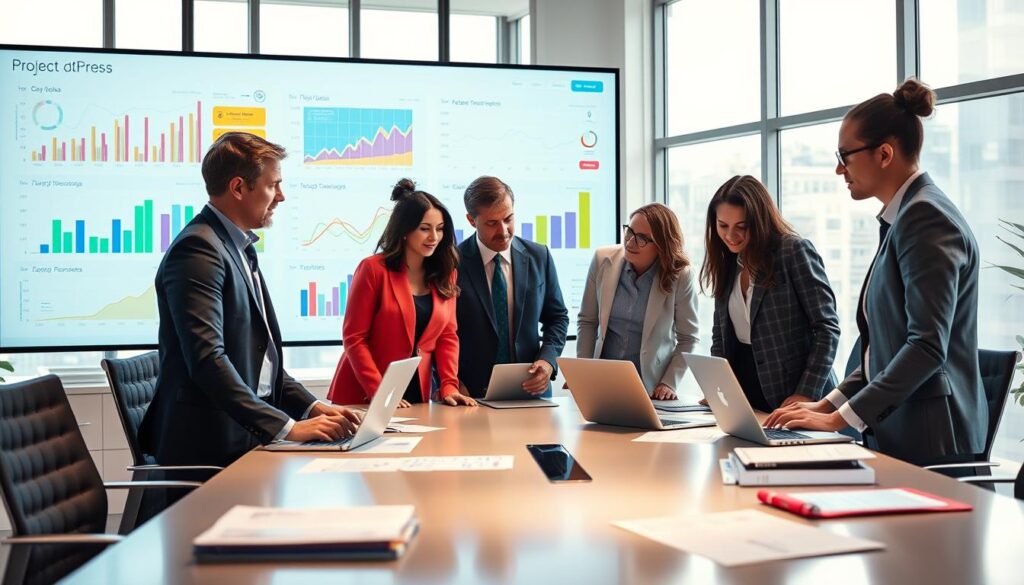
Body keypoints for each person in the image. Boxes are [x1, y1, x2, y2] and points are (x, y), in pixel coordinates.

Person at [765, 79, 987, 466]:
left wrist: (840, 419)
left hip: (931, 440)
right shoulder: (905, 216)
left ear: (884, 154)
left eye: (845, 155)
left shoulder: (926, 217)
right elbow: (881, 350)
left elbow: (926, 347)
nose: (839, 169)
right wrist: (827, 405)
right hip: (905, 431)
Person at [139, 132, 362, 470]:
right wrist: (287, 428)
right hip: (210, 449)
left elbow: (261, 362)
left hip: (242, 437)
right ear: (239, 188)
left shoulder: (235, 245)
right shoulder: (198, 251)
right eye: (274, 185)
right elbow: (207, 361)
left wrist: (312, 408)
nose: (281, 197)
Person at [328, 179, 476, 408]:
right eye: (425, 229)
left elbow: (447, 335)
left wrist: (449, 384)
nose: (434, 237)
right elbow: (354, 339)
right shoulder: (373, 270)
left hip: (416, 393)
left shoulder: (446, 273)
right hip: (365, 394)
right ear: (405, 230)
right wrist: (380, 391)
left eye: (439, 229)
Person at [701, 175, 840, 411]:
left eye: (741, 227)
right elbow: (720, 335)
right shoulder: (728, 262)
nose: (731, 236)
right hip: (744, 396)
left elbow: (827, 328)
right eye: (723, 225)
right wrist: (719, 387)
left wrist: (805, 393)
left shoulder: (792, 251)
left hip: (795, 395)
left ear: (759, 221)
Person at [456, 176, 569, 398]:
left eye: (508, 218)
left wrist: (547, 361)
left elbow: (557, 318)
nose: (504, 230)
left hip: (532, 390)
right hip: (471, 394)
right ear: (471, 220)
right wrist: (450, 381)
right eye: (491, 223)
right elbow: (439, 333)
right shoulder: (454, 263)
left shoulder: (539, 256)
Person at [576, 203, 699, 399]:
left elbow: (688, 338)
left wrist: (669, 382)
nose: (631, 242)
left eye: (642, 238)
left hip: (652, 387)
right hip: (602, 381)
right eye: (630, 232)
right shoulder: (602, 259)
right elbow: (587, 321)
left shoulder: (681, 276)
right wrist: (581, 371)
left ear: (662, 245)